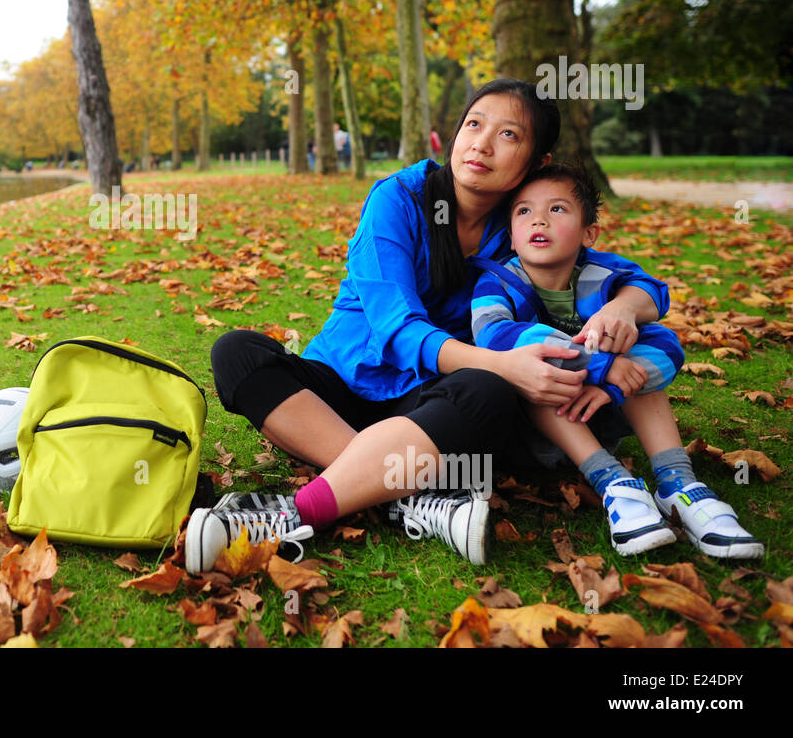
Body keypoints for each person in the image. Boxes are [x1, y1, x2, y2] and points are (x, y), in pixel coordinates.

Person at [192, 79, 670, 573]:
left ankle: (343, 493)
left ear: (537, 162)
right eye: (474, 125)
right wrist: (503, 363)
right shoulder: (398, 199)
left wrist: (622, 309)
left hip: (429, 408)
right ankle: (406, 500)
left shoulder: (525, 223)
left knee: (490, 392)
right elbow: (397, 331)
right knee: (237, 353)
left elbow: (629, 280)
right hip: (338, 388)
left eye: (509, 135)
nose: (482, 144)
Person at [471, 164, 764, 559]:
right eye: (523, 211)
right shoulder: (497, 282)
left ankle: (678, 485)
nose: (538, 219)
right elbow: (494, 336)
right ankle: (614, 484)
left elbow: (660, 319)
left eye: (557, 209)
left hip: (601, 409)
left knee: (636, 355)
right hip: (532, 428)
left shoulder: (606, 274)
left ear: (589, 232)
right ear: (511, 232)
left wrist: (614, 360)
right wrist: (597, 366)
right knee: (533, 369)